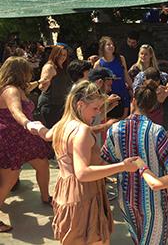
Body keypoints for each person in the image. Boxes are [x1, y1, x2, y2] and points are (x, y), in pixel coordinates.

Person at [38, 81, 139, 245]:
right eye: (95, 108)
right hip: (83, 195)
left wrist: (32, 125)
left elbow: (47, 134)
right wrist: (123, 166)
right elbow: (82, 173)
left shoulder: (62, 124)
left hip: (65, 192)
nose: (98, 112)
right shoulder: (82, 130)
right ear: (80, 104)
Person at [101, 80, 168, 245]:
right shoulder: (157, 131)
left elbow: (107, 159)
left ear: (133, 100)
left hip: (126, 196)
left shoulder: (114, 129)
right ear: (152, 106)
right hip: (153, 199)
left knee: (138, 239)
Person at [0, 57, 52, 232]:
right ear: (20, 73)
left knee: (43, 164)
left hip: (25, 138)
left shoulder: (20, 88)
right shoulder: (11, 91)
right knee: (10, 179)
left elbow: (30, 86)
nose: (30, 73)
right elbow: (16, 111)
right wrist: (28, 123)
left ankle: (46, 197)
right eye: (28, 70)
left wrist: (41, 81)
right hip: (11, 138)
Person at [94, 36, 132, 119]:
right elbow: (95, 84)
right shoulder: (98, 64)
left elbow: (126, 76)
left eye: (113, 45)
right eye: (108, 44)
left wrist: (133, 88)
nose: (111, 46)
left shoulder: (121, 59)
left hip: (122, 94)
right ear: (103, 47)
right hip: (107, 98)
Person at [38, 45, 71, 128]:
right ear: (54, 54)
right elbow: (42, 87)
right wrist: (46, 81)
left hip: (60, 105)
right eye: (60, 54)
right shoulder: (49, 67)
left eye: (64, 55)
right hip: (50, 106)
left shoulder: (63, 67)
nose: (62, 57)